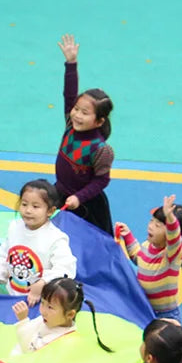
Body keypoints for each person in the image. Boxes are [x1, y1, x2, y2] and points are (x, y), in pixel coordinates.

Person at [0, 179, 77, 306]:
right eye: (24, 204)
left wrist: (42, 283)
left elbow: (65, 268)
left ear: (50, 211)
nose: (28, 210)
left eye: (35, 206)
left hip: (39, 302)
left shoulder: (56, 238)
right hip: (13, 297)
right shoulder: (15, 228)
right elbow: (4, 256)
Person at [54, 34, 114, 234]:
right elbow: (69, 95)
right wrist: (71, 64)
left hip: (87, 207)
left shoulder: (101, 149)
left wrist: (79, 197)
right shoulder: (71, 124)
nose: (77, 115)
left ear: (99, 121)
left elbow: (101, 181)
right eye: (76, 109)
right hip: (60, 195)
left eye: (85, 113)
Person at [116, 195, 182, 323]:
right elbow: (138, 257)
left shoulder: (172, 255)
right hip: (144, 309)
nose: (151, 226)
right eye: (151, 221)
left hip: (165, 316)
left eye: (158, 225)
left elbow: (174, 236)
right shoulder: (148, 245)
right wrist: (128, 236)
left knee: (165, 342)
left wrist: (170, 218)